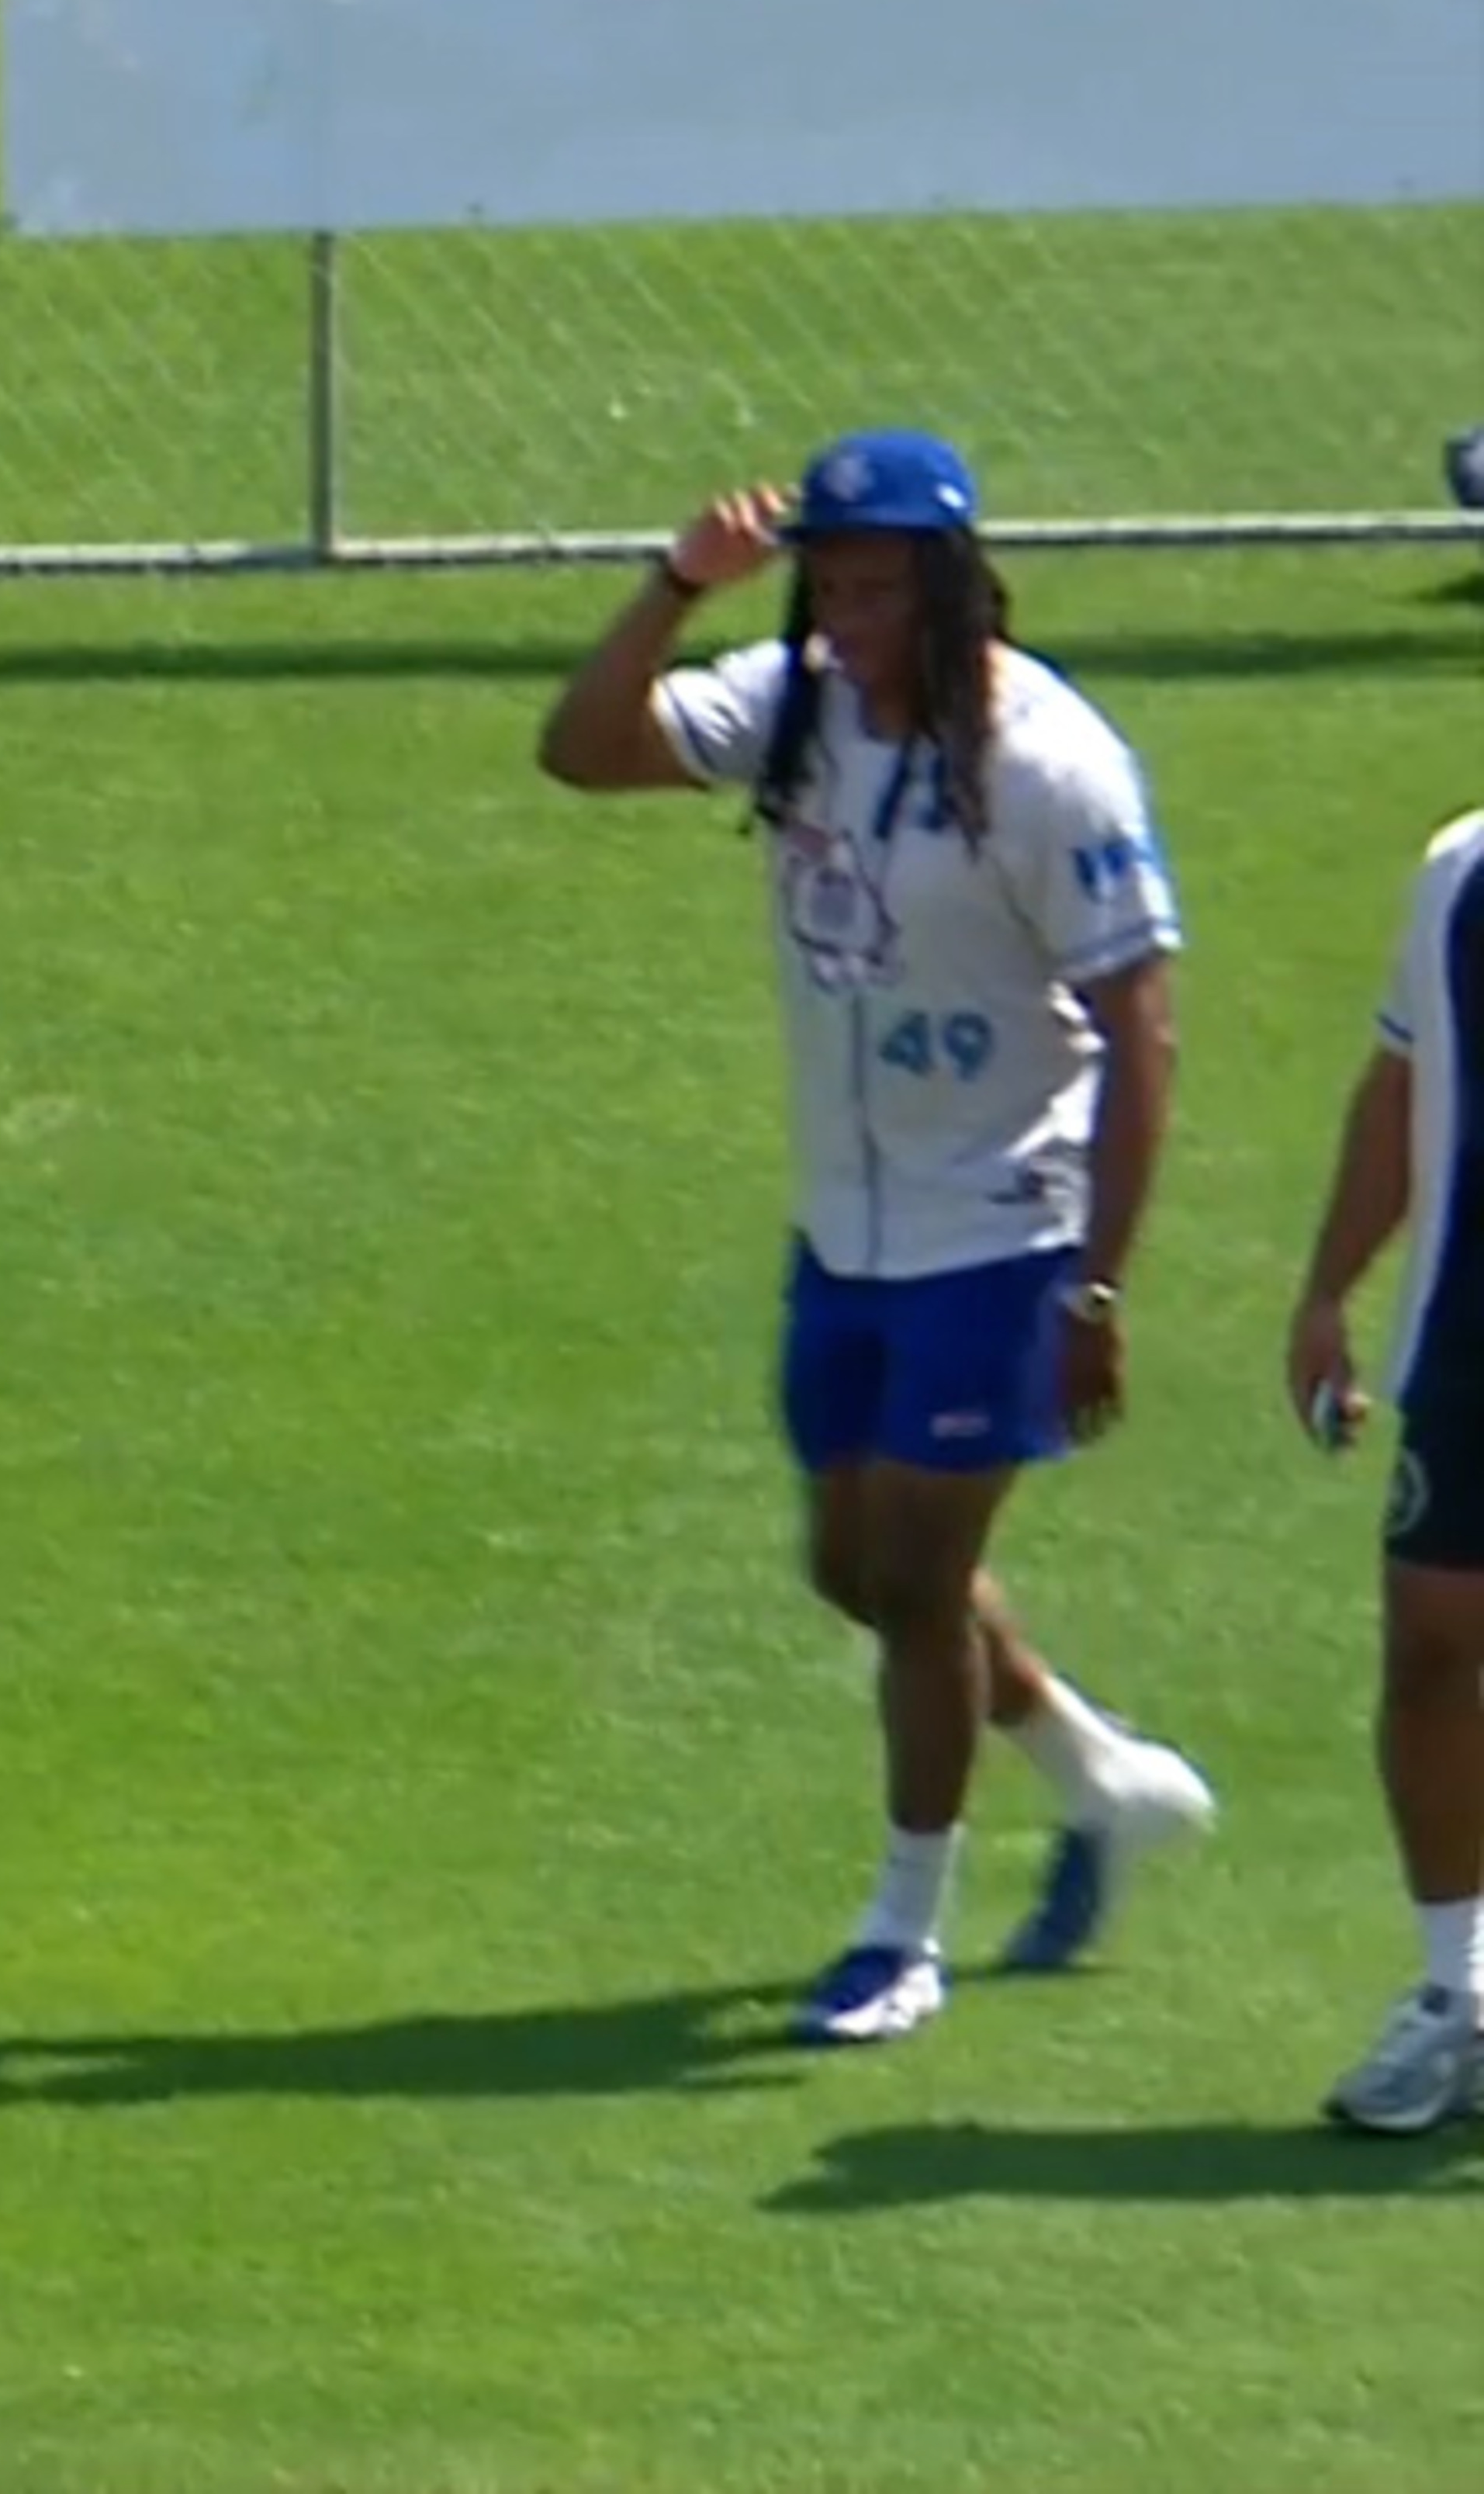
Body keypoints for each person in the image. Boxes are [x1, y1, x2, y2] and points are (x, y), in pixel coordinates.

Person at [531, 430, 1220, 2048]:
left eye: (871, 584)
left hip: (1002, 1222)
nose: (840, 613)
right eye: (820, 581)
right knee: (854, 1563)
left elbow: (1146, 1027)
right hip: (848, 1222)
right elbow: (583, 746)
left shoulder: (1053, 763)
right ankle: (1096, 1773)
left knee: (913, 1581)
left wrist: (1101, 1282)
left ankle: (901, 1929)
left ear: (950, 580)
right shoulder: (802, 710)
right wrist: (675, 584)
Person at [1288, 802, 1484, 2132]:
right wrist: (1326, 1291)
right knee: (1428, 1648)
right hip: (1474, 1341)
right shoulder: (1459, 869)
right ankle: (1460, 1994)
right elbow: (1400, 1080)